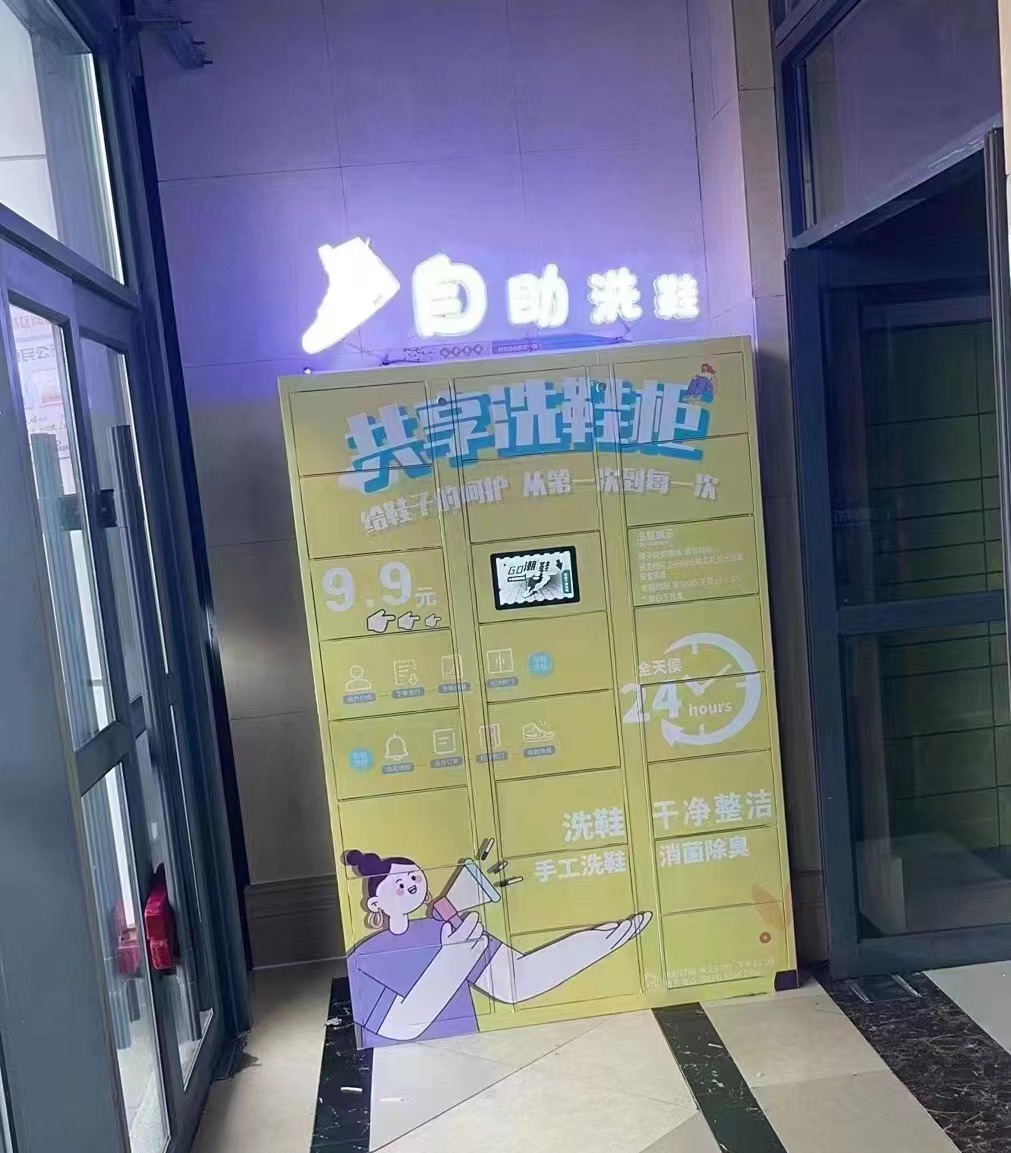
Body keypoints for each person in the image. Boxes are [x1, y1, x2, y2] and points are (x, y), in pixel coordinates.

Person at [345, 848, 650, 1046]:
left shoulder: (444, 929)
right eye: (399, 884)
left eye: (414, 877)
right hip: (402, 1073)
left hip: (473, 1055)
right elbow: (400, 1027)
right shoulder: (363, 959)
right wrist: (453, 960)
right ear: (375, 903)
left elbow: (516, 980)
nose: (411, 885)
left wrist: (597, 943)